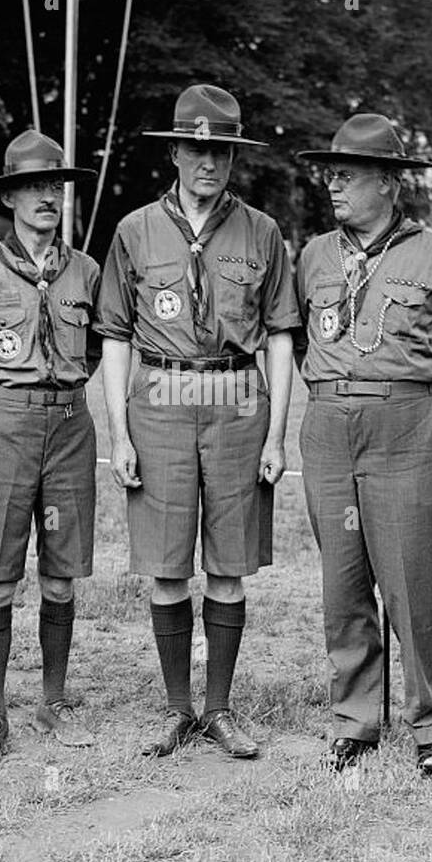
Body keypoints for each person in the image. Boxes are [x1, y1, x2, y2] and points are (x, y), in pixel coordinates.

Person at [96, 84, 299, 760]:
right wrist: (120, 433)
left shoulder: (262, 232)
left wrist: (276, 434)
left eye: (221, 151)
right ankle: (177, 708)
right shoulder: (134, 230)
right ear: (176, 152)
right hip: (160, 397)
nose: (208, 162)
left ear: (233, 157)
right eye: (197, 148)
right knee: (165, 564)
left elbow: (279, 335)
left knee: (230, 563)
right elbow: (116, 335)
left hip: (237, 396)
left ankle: (219, 708)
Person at [294, 113, 432, 773]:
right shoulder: (314, 254)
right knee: (343, 583)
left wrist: (409, 398)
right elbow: (302, 345)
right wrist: (340, 395)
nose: (334, 186)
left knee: (409, 582)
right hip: (329, 429)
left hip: (406, 430)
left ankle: (430, 725)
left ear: (389, 182)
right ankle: (356, 719)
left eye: (349, 175)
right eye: (331, 174)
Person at [0, 131, 102, 766]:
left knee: (62, 575)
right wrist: (10, 412)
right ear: (10, 194)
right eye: (36, 187)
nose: (48, 198)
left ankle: (54, 701)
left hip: (70, 429)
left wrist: (56, 403)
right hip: (5, 428)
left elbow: (96, 349)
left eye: (56, 187)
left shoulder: (87, 271)